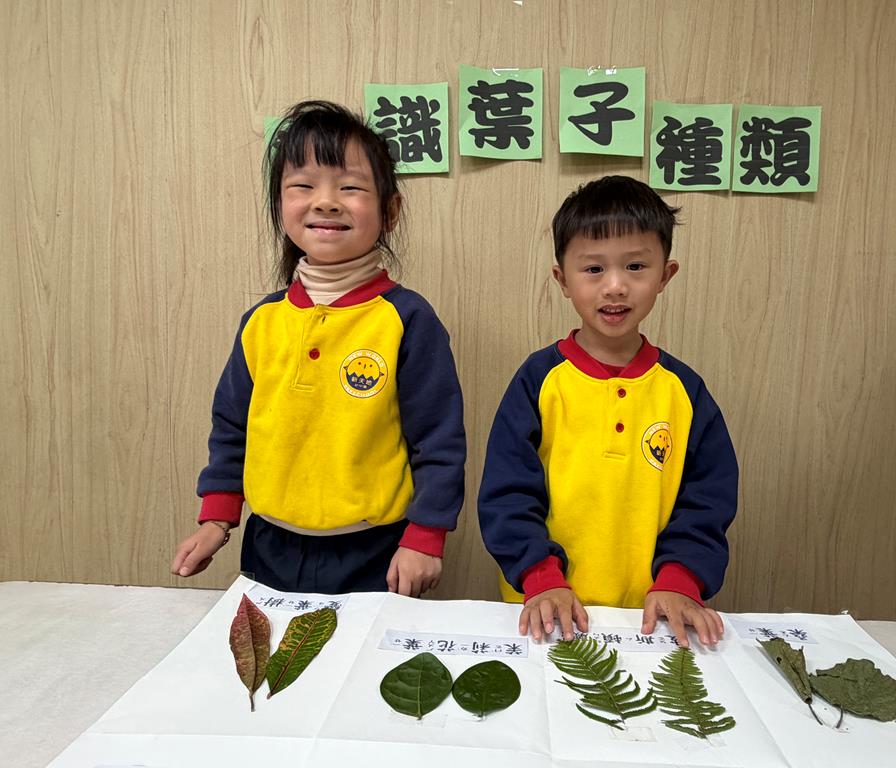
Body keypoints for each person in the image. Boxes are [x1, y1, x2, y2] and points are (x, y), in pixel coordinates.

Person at [171, 100, 465, 597]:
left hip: (376, 549)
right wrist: (216, 518)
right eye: (303, 186)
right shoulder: (261, 321)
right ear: (279, 205)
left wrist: (425, 537)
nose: (326, 202)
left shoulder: (407, 319)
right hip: (268, 544)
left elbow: (438, 440)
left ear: (390, 211)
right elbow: (233, 427)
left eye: (350, 187)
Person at [477, 175, 737, 647]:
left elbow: (707, 500)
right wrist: (540, 576)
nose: (615, 286)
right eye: (594, 269)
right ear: (562, 279)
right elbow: (507, 493)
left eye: (635, 266)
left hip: (652, 617)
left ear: (665, 275)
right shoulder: (538, 380)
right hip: (545, 610)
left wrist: (681, 578)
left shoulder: (684, 391)